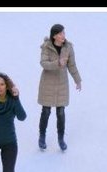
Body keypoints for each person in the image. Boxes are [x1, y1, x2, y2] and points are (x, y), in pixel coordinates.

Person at [37, 24, 82, 152]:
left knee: (61, 113)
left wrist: (77, 80)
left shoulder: (68, 48)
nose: (63, 35)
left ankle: (61, 139)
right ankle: (42, 137)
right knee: (46, 111)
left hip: (62, 84)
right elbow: (43, 63)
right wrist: (57, 63)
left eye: (64, 33)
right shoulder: (46, 47)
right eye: (61, 33)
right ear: (54, 35)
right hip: (47, 84)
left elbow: (72, 65)